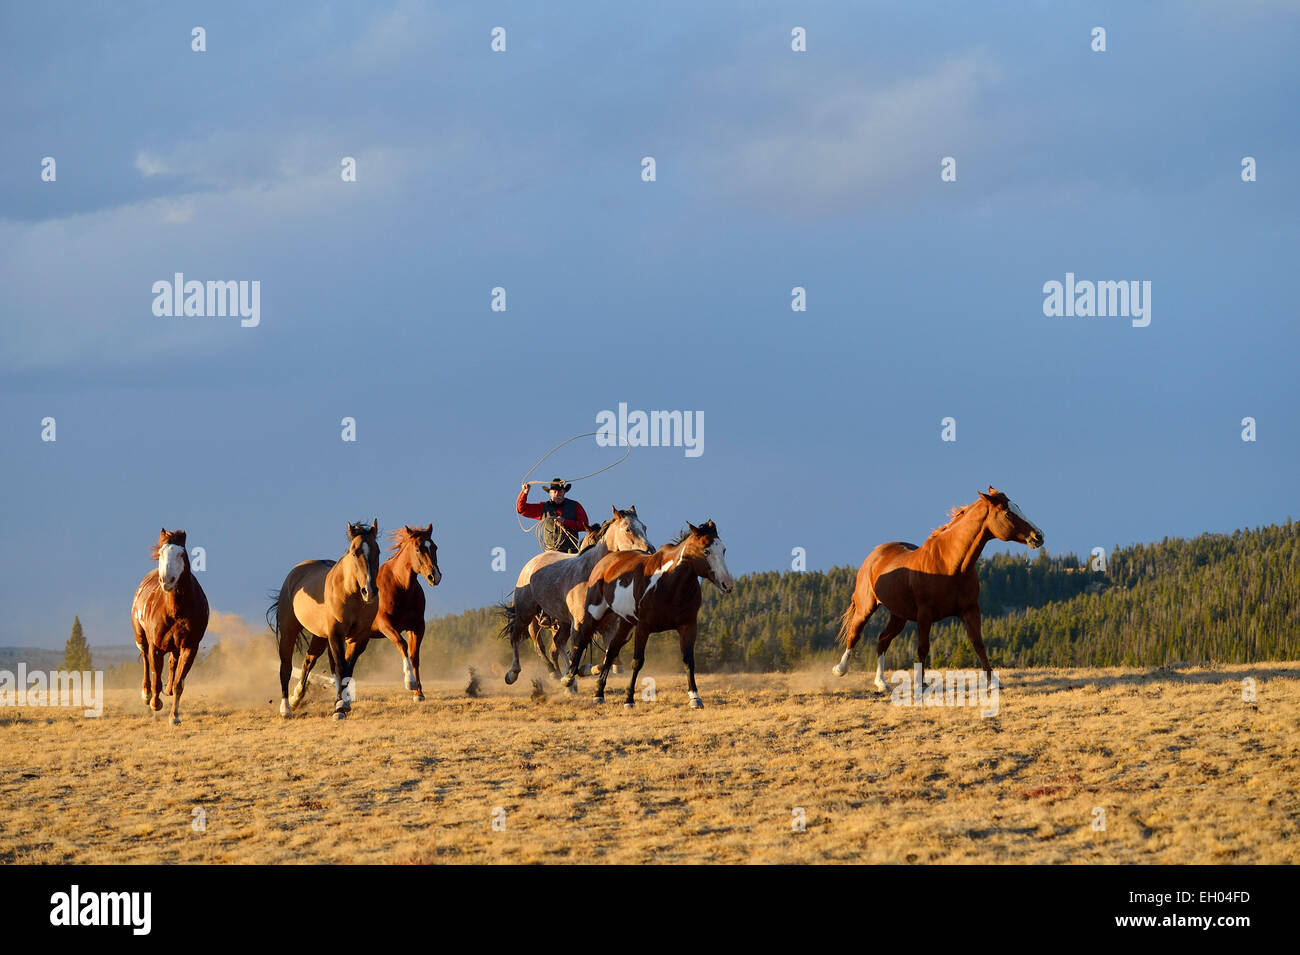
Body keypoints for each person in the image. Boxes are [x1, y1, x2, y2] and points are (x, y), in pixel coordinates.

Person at [517, 478, 590, 553]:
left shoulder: (575, 506)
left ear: (564, 492)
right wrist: (524, 493)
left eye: (560, 492)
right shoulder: (542, 507)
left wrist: (565, 522)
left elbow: (585, 526)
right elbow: (522, 509)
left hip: (571, 551)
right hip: (551, 552)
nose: (557, 494)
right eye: (554, 492)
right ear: (550, 493)